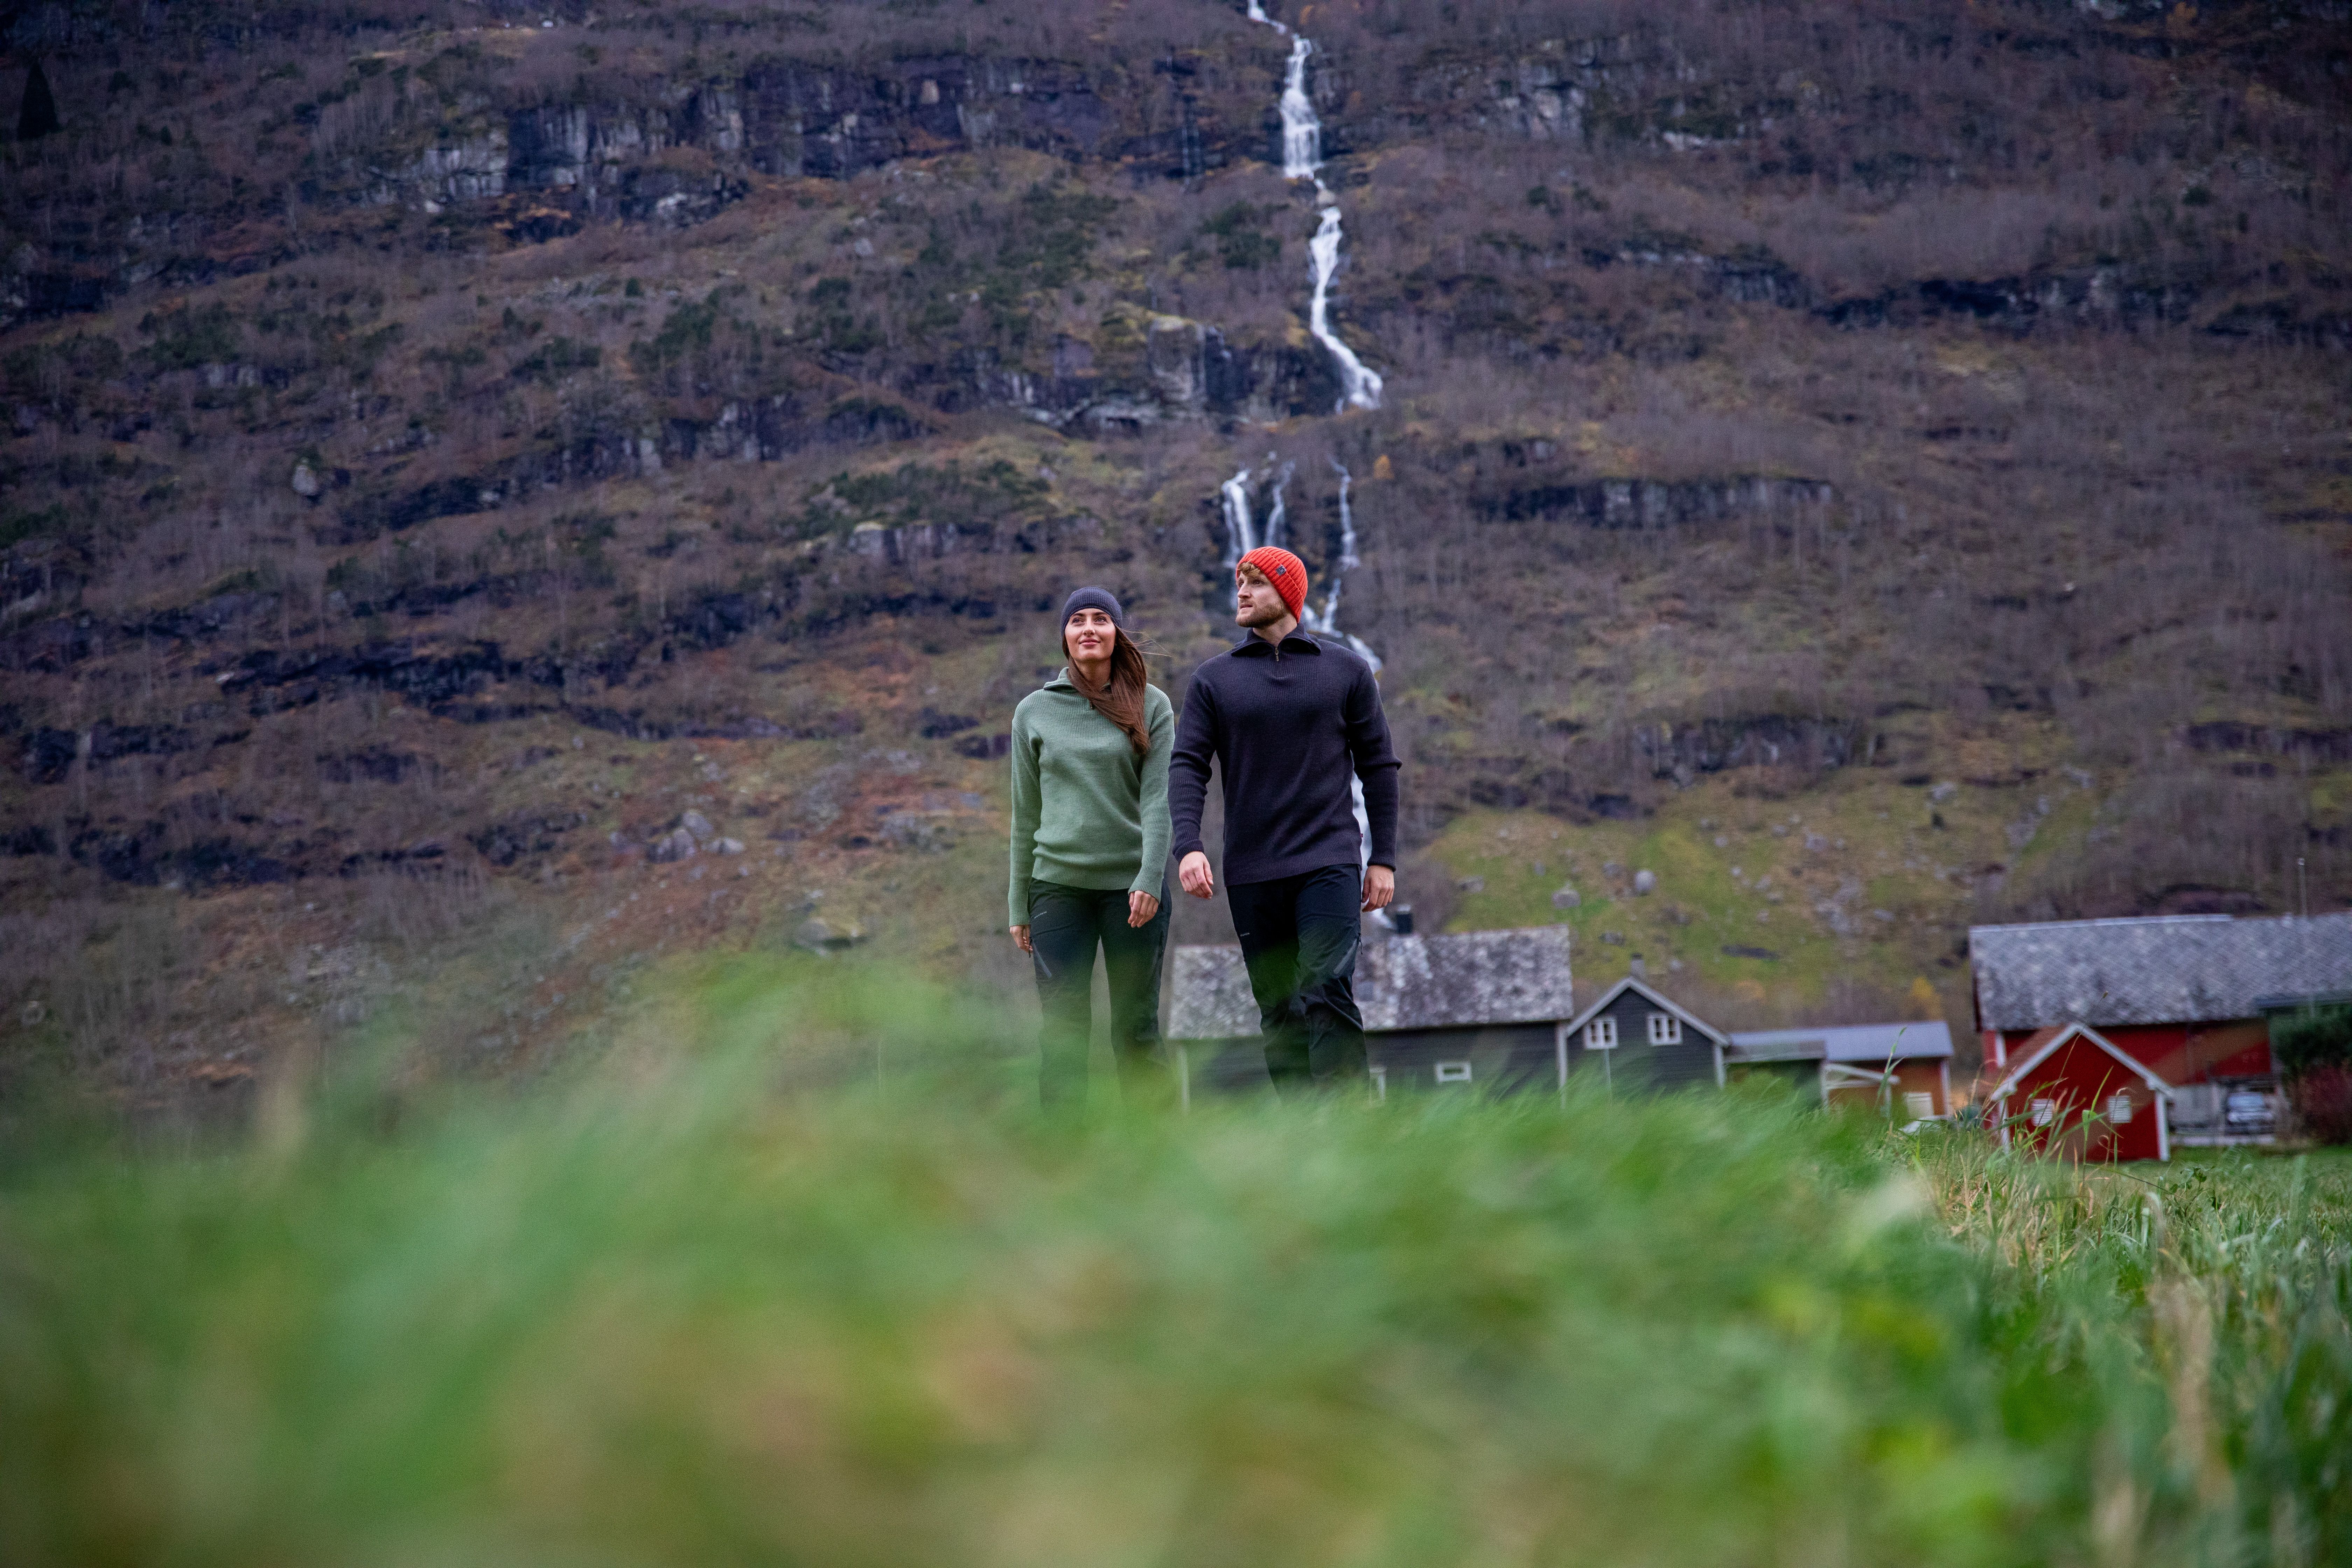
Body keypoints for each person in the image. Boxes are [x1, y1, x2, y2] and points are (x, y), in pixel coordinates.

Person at [1170, 547, 1399, 1092]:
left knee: (1327, 989)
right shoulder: (1213, 681)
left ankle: (1349, 1124)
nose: (1242, 593)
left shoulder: (1345, 669)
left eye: (1256, 583)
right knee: (1278, 1010)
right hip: (1252, 870)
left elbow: (1379, 765)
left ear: (1289, 594)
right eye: (1239, 582)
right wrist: (1189, 845)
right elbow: (1187, 766)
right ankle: (1300, 1136)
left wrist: (1384, 859)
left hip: (1329, 860)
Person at [1009, 587, 1176, 1108]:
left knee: (1136, 1029)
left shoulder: (1152, 705)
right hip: (1057, 889)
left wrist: (1150, 878)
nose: (1088, 628)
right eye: (1076, 620)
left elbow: (1158, 801)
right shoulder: (1034, 713)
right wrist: (1019, 903)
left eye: (1101, 619)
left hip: (1132, 890)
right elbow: (1025, 816)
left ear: (1116, 633)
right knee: (1062, 1030)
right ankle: (1064, 1158)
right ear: (1064, 637)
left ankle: (1154, 1152)